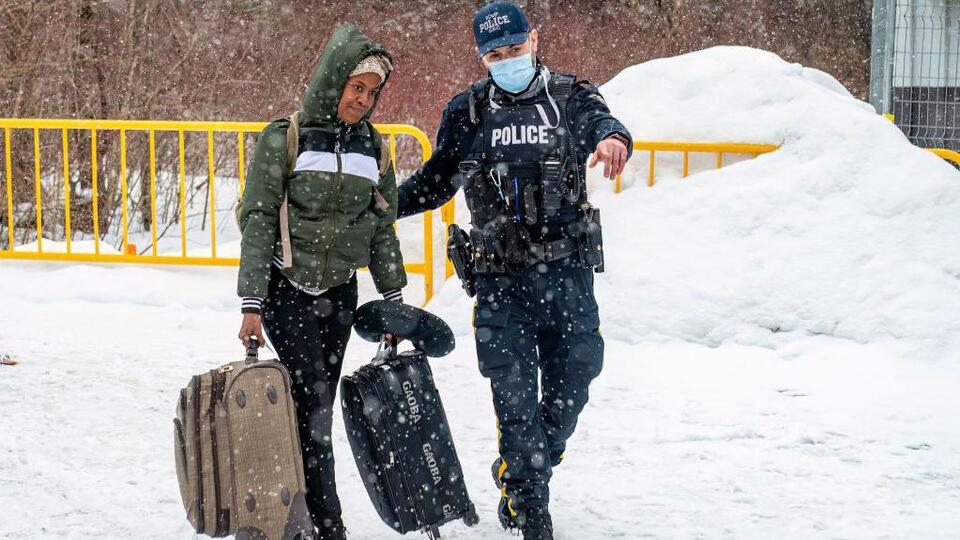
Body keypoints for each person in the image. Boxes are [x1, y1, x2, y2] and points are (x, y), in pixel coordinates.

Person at [396, 2, 632, 539]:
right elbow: (436, 182)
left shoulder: (570, 96)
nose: (507, 60)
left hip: (568, 274)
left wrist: (613, 139)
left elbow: (604, 124)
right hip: (501, 281)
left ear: (535, 40)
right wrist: (383, 203)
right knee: (515, 397)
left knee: (578, 374)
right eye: (494, 54)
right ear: (482, 57)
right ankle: (529, 503)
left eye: (515, 49)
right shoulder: (469, 112)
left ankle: (525, 467)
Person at [236, 23, 406, 540]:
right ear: (334, 83)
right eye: (356, 87)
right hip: (288, 291)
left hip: (339, 294)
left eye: (372, 93)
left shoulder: (374, 149)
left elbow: (381, 228)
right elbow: (259, 219)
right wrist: (251, 304)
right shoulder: (284, 138)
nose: (363, 100)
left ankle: (298, 511)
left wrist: (394, 301)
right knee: (311, 406)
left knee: (317, 407)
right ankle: (327, 524)